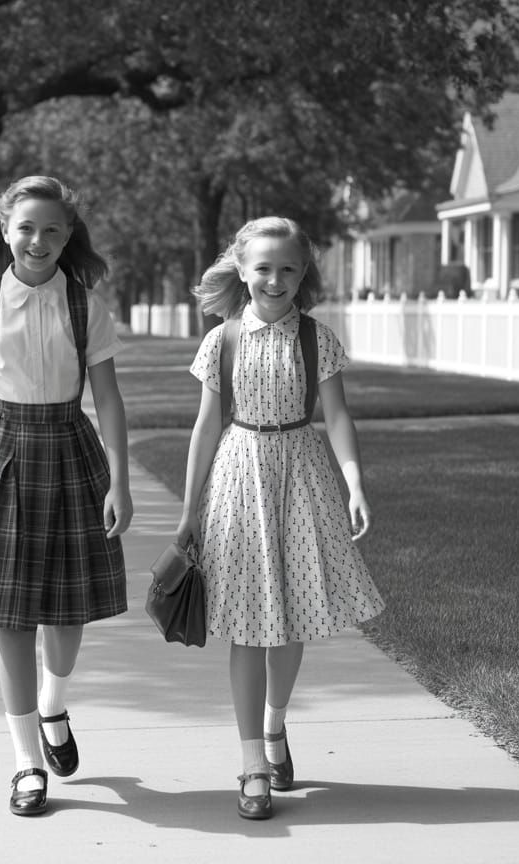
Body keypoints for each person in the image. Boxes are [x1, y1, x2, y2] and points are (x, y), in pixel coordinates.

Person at [0, 175, 133, 817]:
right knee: (11, 617)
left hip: (72, 453)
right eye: (26, 228)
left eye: (51, 230)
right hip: (1, 455)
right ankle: (25, 764)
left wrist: (121, 480)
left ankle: (53, 705)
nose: (38, 240)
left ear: (68, 235)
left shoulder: (85, 306)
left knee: (68, 612)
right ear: (5, 229)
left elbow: (108, 399)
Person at [175, 216, 384, 820]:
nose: (275, 279)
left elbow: (337, 417)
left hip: (302, 479)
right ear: (242, 270)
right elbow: (206, 427)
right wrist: (189, 511)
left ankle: (274, 726)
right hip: (239, 480)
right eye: (263, 267)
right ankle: (252, 765)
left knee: (291, 619)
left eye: (287, 268)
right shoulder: (222, 340)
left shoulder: (317, 338)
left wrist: (354, 483)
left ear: (303, 272)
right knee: (246, 626)